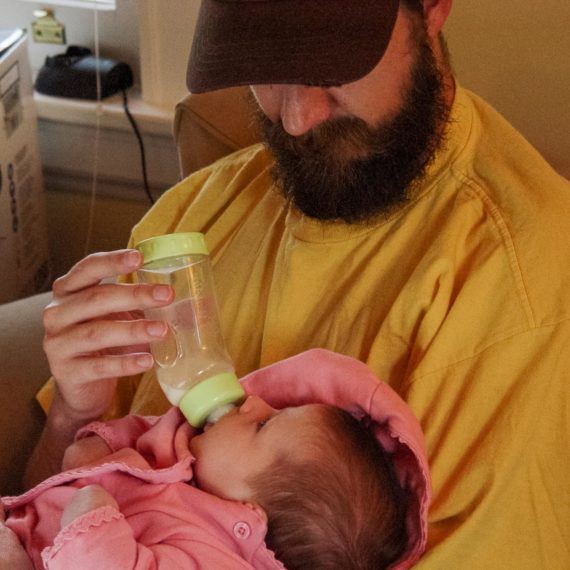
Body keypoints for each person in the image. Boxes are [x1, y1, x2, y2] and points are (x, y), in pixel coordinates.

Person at [26, 0, 570, 567]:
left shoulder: (522, 286)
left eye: (328, 70)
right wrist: (74, 411)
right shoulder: (193, 217)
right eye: (263, 67)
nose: (295, 119)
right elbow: (38, 507)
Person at [4, 350, 430, 569]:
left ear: (252, 513)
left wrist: (89, 518)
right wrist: (96, 445)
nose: (255, 401)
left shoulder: (215, 559)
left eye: (264, 425)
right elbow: (132, 445)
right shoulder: (190, 466)